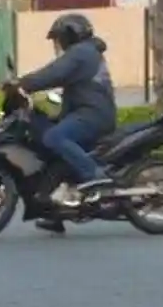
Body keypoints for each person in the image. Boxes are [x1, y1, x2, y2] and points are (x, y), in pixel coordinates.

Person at [8, 13, 117, 234]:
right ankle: (53, 213)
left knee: (54, 137)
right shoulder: (86, 53)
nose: (57, 44)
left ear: (70, 35)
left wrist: (23, 83)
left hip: (93, 115)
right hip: (87, 111)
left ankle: (94, 176)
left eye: (58, 38)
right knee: (54, 151)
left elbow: (53, 74)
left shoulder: (81, 53)